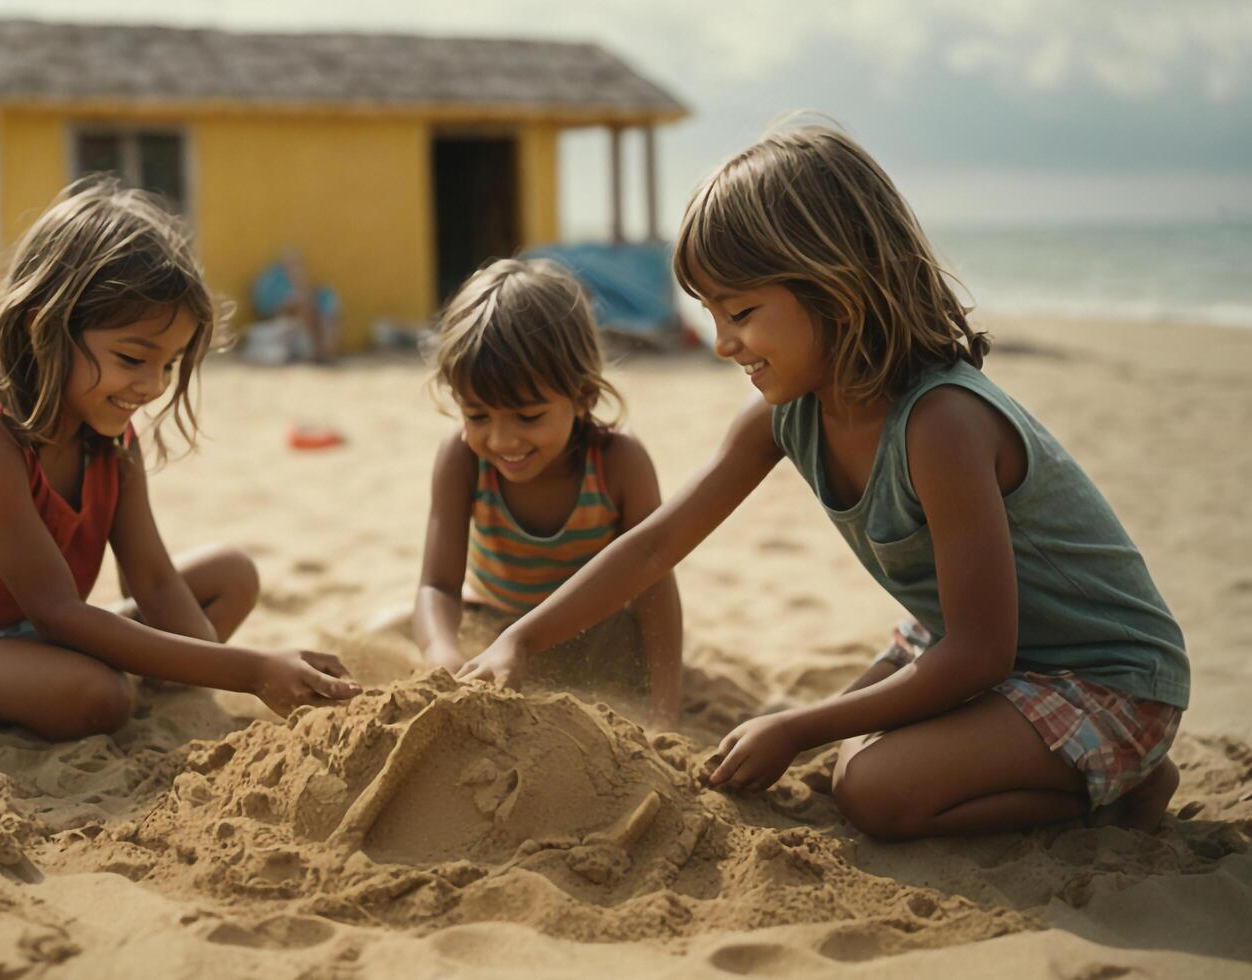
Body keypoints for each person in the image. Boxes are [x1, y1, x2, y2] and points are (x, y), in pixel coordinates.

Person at [458, 123, 1189, 840]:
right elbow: (656, 546)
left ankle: (1119, 790)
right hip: (977, 652)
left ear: (836, 291)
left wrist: (794, 725)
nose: (721, 343)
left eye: (741, 312)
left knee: (872, 790)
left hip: (1102, 678)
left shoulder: (942, 423)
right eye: (710, 313)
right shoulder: (786, 415)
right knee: (841, 761)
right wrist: (519, 640)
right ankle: (1084, 771)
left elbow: (980, 651)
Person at [0, 179, 360, 740]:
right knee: (96, 696)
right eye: (132, 357)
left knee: (232, 575)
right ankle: (79, 675)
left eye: (168, 366)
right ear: (41, 326)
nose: (151, 386)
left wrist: (212, 685)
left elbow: (156, 581)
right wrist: (253, 670)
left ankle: (125, 677)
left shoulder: (110, 438)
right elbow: (57, 611)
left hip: (10, 627)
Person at [417, 258, 684, 728]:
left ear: (581, 396)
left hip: (599, 633)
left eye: (528, 417)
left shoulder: (619, 463)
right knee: (396, 630)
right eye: (477, 416)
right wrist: (443, 653)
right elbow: (437, 585)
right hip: (493, 621)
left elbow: (655, 586)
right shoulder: (462, 460)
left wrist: (664, 711)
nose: (501, 441)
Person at [251, 248, 339, 363]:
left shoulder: (319, 294)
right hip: (278, 332)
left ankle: (322, 351)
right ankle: (320, 351)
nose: (296, 269)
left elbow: (328, 313)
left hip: (302, 337)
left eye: (298, 266)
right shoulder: (273, 286)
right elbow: (270, 310)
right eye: (292, 265)